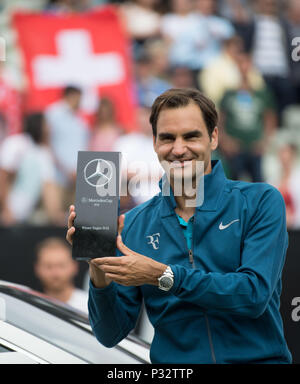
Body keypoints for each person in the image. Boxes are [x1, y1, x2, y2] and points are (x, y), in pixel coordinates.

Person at [66, 88, 292, 364]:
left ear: (213, 137)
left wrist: (164, 276)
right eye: (167, 138)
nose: (179, 148)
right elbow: (110, 333)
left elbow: (252, 294)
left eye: (191, 136)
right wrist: (98, 267)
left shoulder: (260, 201)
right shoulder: (134, 223)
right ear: (154, 143)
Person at [219, 52, 277, 182]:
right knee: (234, 183)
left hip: (255, 148)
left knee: (258, 185)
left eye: (246, 64)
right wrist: (225, 141)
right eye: (240, 64)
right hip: (235, 148)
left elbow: (270, 119)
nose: (243, 68)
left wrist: (264, 142)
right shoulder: (229, 94)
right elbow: (220, 120)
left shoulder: (261, 94)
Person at [0, 112, 65, 226]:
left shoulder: (44, 154)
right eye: (46, 124)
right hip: (6, 217)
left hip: (21, 219)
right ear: (38, 125)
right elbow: (3, 177)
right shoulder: (16, 143)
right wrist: (6, 210)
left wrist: (57, 216)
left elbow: (48, 188)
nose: (50, 129)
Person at [45, 85, 90, 210]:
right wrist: (64, 169)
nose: (80, 101)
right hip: (57, 174)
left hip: (78, 177)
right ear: (70, 96)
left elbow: (84, 146)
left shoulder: (80, 120)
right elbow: (47, 143)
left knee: (74, 216)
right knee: (56, 217)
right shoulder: (53, 114)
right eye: (78, 98)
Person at [35, 237, 88, 314]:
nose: (55, 273)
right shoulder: (33, 308)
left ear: (74, 267)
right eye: (48, 266)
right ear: (37, 268)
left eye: (61, 265)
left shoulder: (90, 306)